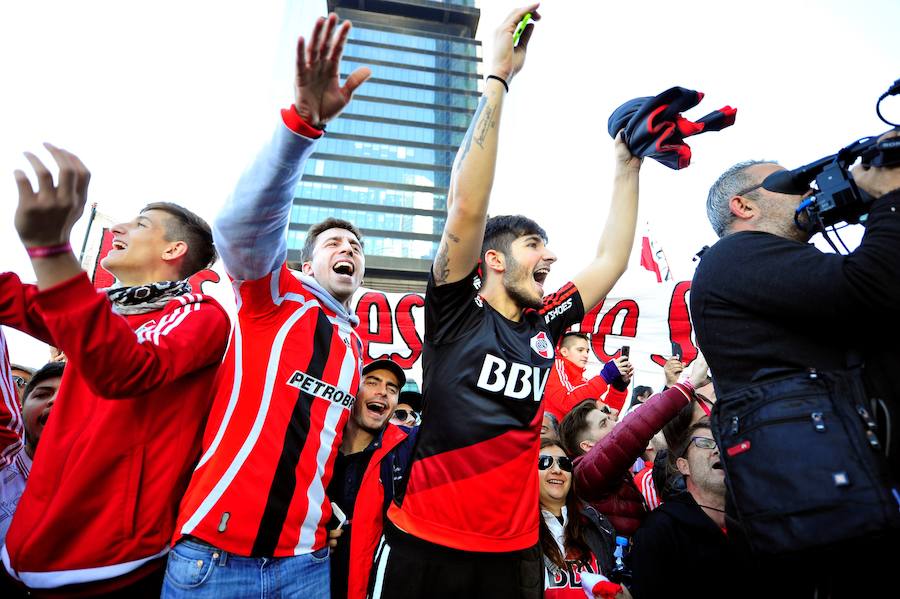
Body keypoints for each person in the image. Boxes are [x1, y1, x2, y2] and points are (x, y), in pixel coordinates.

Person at [370, 5, 643, 597]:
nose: (548, 257)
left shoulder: (547, 320)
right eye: (532, 245)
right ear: (492, 259)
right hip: (426, 542)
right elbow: (466, 210)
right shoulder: (455, 311)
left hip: (513, 552)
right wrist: (498, 77)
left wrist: (627, 165)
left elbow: (611, 262)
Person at [165, 14, 372, 598]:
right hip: (212, 561)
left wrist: (321, 506)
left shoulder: (355, 346)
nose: (348, 249)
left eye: (355, 246)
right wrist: (302, 127)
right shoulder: (275, 297)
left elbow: (314, 443)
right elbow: (238, 228)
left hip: (305, 566)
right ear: (305, 264)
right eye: (333, 243)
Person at [1, 144, 229, 595]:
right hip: (25, 555)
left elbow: (125, 369)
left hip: (114, 566)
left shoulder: (201, 314)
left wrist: (50, 248)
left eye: (140, 223)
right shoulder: (94, 309)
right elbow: (18, 298)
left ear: (175, 249)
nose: (119, 228)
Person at [691, 131, 900, 596]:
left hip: (850, 493)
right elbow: (871, 289)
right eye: (791, 183)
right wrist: (889, 198)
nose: (808, 190)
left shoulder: (784, 262)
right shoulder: (732, 257)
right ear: (743, 206)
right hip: (833, 514)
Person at [563, 358, 709, 538]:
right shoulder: (585, 475)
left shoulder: (612, 474)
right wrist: (687, 385)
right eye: (603, 423)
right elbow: (632, 430)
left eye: (609, 417)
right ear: (587, 446)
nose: (616, 422)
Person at [327, 359, 417, 599]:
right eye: (372, 382)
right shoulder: (319, 445)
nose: (383, 392)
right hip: (312, 581)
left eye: (392, 389)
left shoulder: (407, 446)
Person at [627, 419, 746, 599]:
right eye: (704, 443)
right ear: (684, 465)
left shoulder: (756, 517)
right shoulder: (660, 531)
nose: (717, 449)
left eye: (721, 442)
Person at [538, 439, 624, 599]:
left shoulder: (596, 524)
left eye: (564, 463)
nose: (557, 470)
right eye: (545, 462)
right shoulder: (518, 532)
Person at [543, 332, 632, 419]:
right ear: (564, 352)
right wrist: (604, 378)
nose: (586, 355)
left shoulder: (583, 383)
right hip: (555, 432)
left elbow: (607, 416)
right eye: (580, 350)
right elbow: (567, 403)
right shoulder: (554, 367)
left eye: (587, 351)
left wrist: (618, 388)